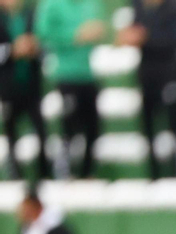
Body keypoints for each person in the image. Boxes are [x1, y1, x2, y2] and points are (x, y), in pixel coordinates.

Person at [123, 0, 176, 178]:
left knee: (173, 122)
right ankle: (153, 171)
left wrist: (147, 36)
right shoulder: (137, 6)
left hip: (168, 72)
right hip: (147, 73)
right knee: (148, 123)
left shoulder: (175, 6)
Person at [36, 0, 103, 178]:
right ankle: (64, 170)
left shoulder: (90, 4)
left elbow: (100, 29)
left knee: (93, 127)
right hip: (65, 74)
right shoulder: (51, 4)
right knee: (69, 124)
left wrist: (96, 33)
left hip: (87, 73)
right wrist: (75, 36)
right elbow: (43, 34)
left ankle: (87, 172)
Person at [0, 0, 46, 182]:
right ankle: (14, 171)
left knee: (40, 129)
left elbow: (46, 42)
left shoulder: (31, 14)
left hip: (31, 84)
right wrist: (12, 50)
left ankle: (43, 170)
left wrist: (35, 47)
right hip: (9, 86)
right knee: (12, 130)